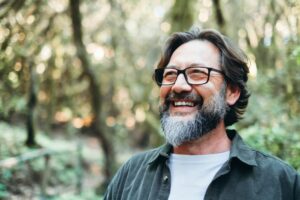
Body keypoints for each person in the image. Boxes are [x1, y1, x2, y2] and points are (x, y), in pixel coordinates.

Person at [104, 28, 300, 200]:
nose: (179, 86)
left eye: (197, 73)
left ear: (231, 92)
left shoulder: (281, 182)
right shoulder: (131, 175)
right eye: (170, 75)